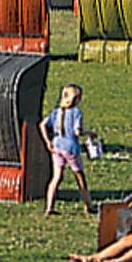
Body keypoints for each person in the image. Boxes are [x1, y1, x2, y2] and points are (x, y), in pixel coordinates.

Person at [41, 83, 91, 216]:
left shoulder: (57, 112)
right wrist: (90, 134)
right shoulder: (76, 113)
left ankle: (49, 207)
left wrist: (48, 142)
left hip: (57, 146)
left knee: (56, 177)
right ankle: (88, 205)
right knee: (80, 176)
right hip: (71, 148)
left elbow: (43, 125)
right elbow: (77, 131)